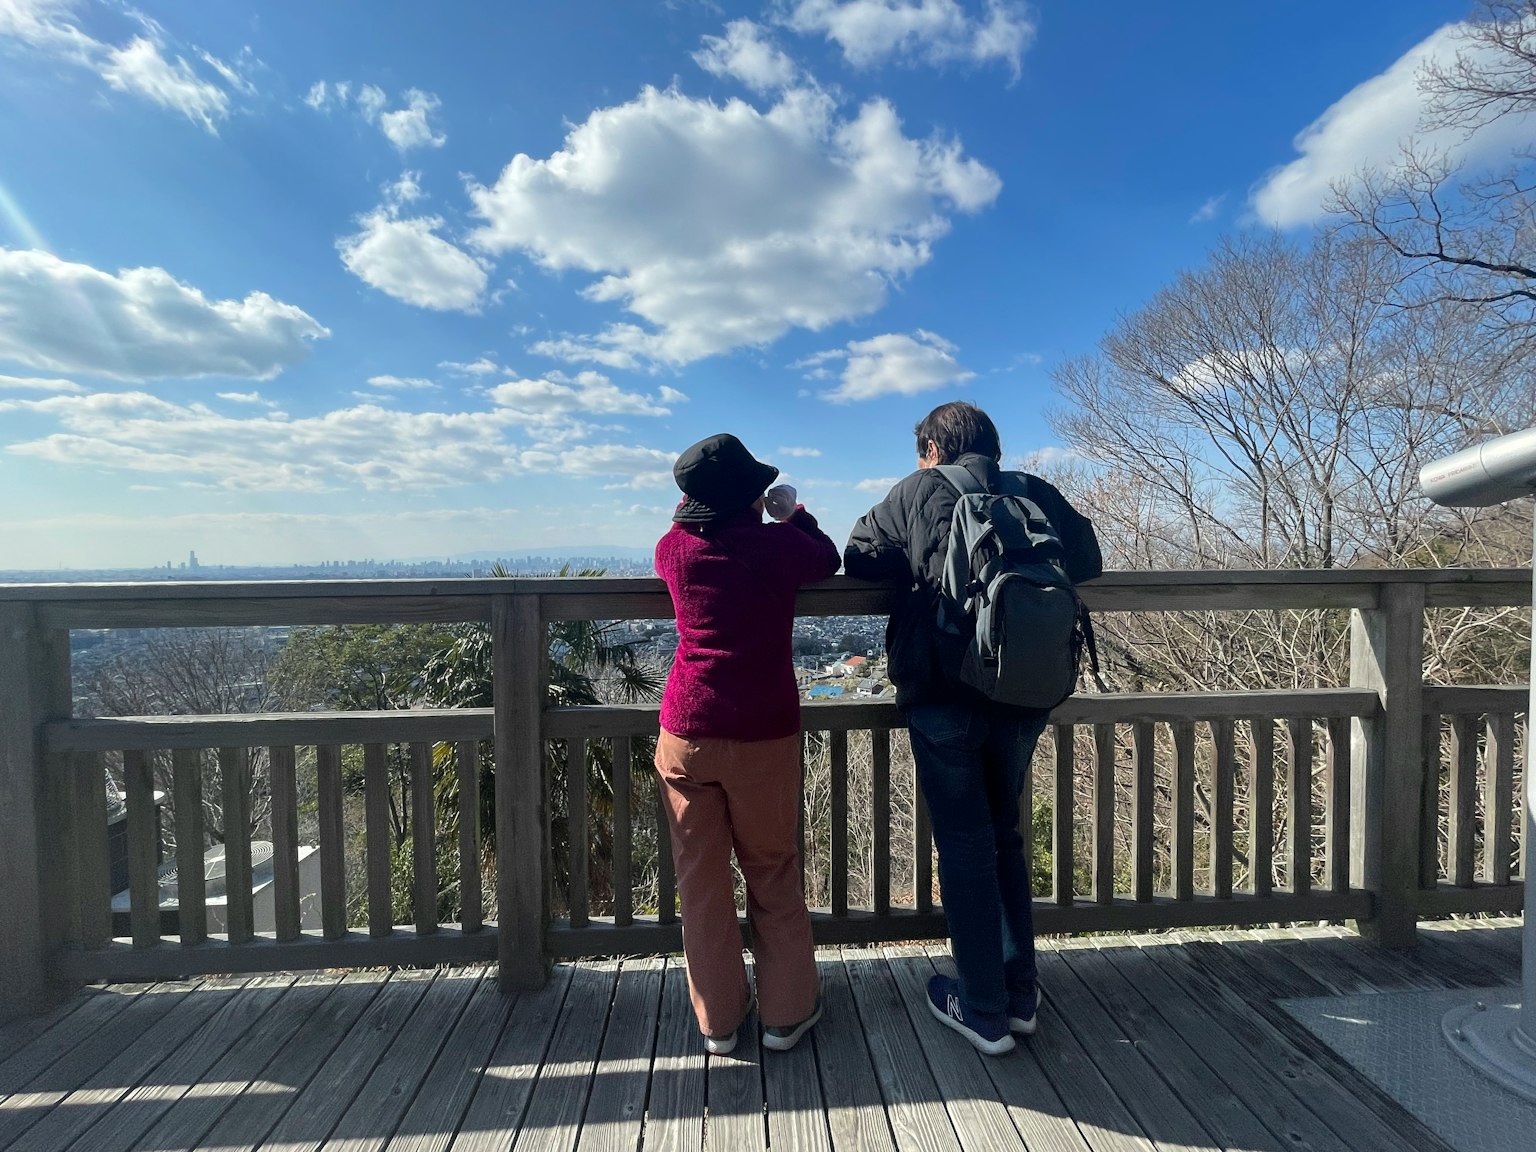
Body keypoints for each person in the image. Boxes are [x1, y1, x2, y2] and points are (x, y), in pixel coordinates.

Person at [844, 401, 1102, 1055]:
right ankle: (1019, 995)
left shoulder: (918, 489)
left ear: (931, 447)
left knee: (963, 844)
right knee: (1006, 836)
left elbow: (860, 559)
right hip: (1025, 690)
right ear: (993, 445)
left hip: (943, 690)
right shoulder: (1033, 492)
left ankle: (981, 1006)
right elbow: (1089, 559)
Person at [654, 432, 839, 1055]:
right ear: (749, 500)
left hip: (686, 730)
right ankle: (786, 1014)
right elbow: (826, 557)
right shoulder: (774, 547)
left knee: (701, 882)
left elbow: (694, 531)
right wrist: (794, 513)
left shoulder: (672, 551)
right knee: (772, 869)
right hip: (761, 730)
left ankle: (719, 1023)